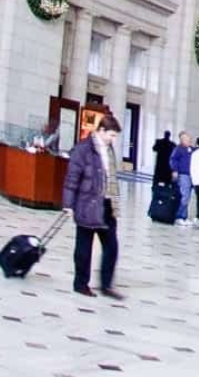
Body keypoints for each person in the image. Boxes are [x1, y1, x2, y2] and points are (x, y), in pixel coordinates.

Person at [61, 112, 123, 299]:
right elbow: (72, 178)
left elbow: (111, 177)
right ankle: (81, 284)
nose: (113, 139)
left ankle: (106, 285)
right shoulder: (83, 149)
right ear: (101, 130)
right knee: (84, 247)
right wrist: (68, 204)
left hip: (106, 204)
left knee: (112, 246)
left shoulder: (109, 149)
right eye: (111, 135)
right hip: (87, 203)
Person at [171, 132, 194, 224]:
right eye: (185, 138)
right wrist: (175, 170)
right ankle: (179, 216)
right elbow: (173, 160)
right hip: (183, 174)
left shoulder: (191, 149)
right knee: (184, 195)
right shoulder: (178, 149)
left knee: (187, 196)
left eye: (188, 138)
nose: (187, 140)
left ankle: (184, 216)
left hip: (191, 175)